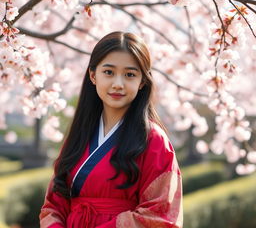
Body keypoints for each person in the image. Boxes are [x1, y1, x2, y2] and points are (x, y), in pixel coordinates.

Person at [39, 31, 183, 228]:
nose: (118, 84)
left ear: (142, 82)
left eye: (129, 75)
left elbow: (158, 215)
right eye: (108, 72)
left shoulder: (153, 140)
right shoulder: (79, 135)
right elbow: (53, 205)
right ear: (93, 75)